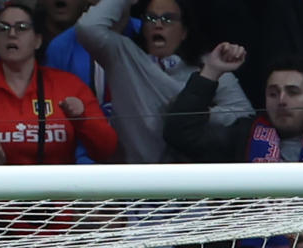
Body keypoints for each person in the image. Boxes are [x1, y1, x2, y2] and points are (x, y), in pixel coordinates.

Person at [0, 2, 119, 165]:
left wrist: (83, 119)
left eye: (21, 27)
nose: (11, 34)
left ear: (37, 40)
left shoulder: (69, 86)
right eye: (3, 28)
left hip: (57, 202)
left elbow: (107, 150)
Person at [74, 0, 252, 164]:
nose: (158, 25)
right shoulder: (123, 56)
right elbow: (88, 27)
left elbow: (244, 114)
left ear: (184, 32)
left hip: (190, 185)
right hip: (133, 184)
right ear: (143, 27)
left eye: (168, 19)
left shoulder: (210, 65)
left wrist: (194, 113)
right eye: (151, 18)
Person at [166, 48, 303, 164]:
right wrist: (212, 70)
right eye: (273, 93)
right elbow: (181, 134)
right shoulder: (242, 137)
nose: (281, 100)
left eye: (293, 92)